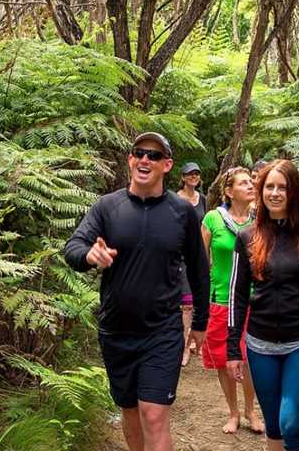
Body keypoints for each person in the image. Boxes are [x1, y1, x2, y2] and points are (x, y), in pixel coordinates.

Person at [64, 133, 210, 451]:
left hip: (163, 330)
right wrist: (90, 255)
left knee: (154, 415)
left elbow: (199, 270)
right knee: (130, 412)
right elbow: (72, 247)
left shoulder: (181, 212)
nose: (145, 160)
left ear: (167, 165)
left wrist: (200, 323)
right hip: (117, 331)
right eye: (139, 153)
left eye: (154, 156)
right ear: (130, 160)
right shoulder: (107, 207)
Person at [227, 159, 299, 451]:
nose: (275, 193)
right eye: (269, 186)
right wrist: (232, 348)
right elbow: (237, 296)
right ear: (261, 191)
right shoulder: (247, 237)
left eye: (283, 187)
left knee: (292, 423)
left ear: (293, 194)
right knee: (275, 427)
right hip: (260, 345)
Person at [199, 167, 265, 435]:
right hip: (222, 299)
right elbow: (200, 262)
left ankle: (251, 411)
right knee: (224, 358)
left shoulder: (261, 220)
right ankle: (233, 412)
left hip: (254, 299)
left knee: (250, 357)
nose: (251, 186)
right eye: (243, 183)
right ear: (229, 191)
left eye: (251, 182)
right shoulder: (212, 219)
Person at [177, 161, 207, 365]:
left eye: (196, 174)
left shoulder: (203, 199)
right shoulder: (175, 199)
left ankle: (192, 340)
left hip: (198, 255)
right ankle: (184, 348)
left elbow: (206, 228)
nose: (193, 177)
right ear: (183, 177)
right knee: (186, 305)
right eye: (189, 174)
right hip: (179, 256)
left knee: (197, 301)